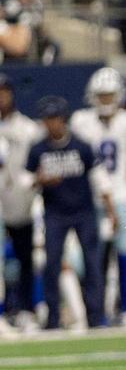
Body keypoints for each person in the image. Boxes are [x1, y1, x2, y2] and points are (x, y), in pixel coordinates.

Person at [71, 67, 126, 330]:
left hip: (121, 196)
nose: (105, 100)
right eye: (101, 96)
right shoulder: (81, 120)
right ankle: (97, 313)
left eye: (109, 95)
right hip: (89, 199)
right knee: (92, 258)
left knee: (125, 254)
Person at [26, 96, 115, 330]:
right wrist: (39, 179)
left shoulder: (81, 145)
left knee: (92, 263)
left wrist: (110, 209)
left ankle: (96, 317)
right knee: (52, 264)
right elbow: (25, 178)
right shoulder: (38, 149)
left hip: (83, 211)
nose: (52, 124)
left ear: (63, 119)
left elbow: (98, 178)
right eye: (47, 119)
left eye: (55, 118)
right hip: (54, 213)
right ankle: (52, 318)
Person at [0, 74, 42, 330]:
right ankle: (3, 311)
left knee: (28, 259)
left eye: (4, 92)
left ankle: (27, 308)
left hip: (23, 203)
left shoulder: (28, 128)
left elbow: (38, 164)